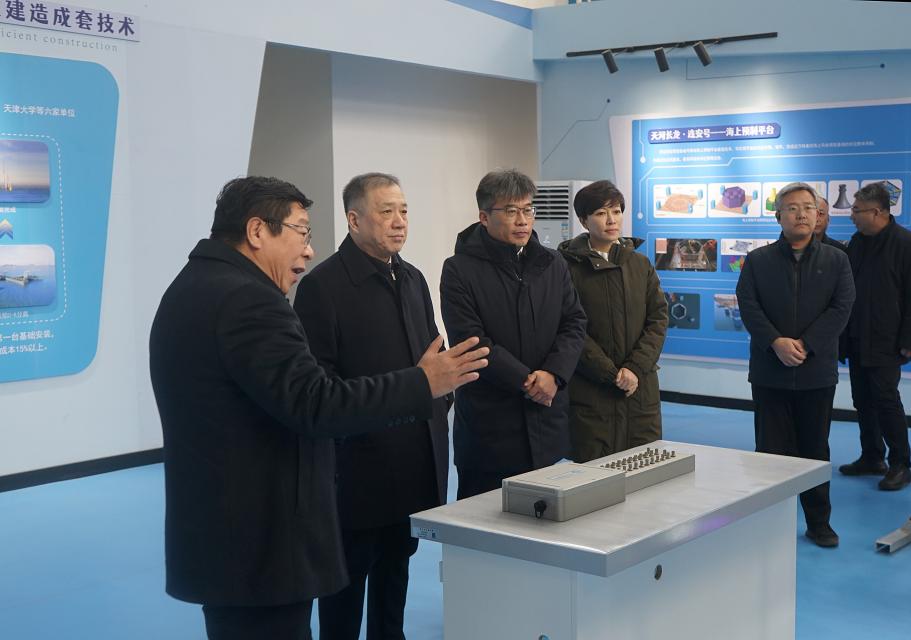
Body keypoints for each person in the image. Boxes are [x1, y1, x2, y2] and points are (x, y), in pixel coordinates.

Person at [149, 176, 488, 640]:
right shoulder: (250, 300)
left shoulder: (195, 286)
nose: (308, 251)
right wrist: (422, 383)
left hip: (227, 536)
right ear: (257, 231)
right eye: (301, 233)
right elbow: (316, 402)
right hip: (261, 540)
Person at [292, 173, 447, 640]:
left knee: (395, 578)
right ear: (354, 219)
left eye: (404, 211)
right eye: (386, 212)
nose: (399, 222)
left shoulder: (412, 278)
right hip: (356, 473)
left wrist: (443, 394)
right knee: (344, 593)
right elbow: (319, 386)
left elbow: (433, 359)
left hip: (411, 463)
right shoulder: (323, 287)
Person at [440, 169, 587, 498]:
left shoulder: (552, 263)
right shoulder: (459, 270)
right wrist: (528, 382)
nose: (522, 220)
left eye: (528, 209)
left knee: (549, 516)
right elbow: (472, 341)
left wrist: (553, 375)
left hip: (548, 420)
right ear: (484, 217)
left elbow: (574, 322)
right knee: (485, 520)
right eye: (510, 211)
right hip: (490, 429)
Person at [736, 182, 855, 548]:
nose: (801, 214)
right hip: (769, 371)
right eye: (792, 208)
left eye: (808, 207)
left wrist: (806, 344)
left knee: (815, 450)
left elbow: (841, 307)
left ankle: (819, 523)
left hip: (816, 372)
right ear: (779, 217)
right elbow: (748, 305)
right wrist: (775, 342)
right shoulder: (758, 260)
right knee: (769, 450)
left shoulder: (837, 259)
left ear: (818, 215)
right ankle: (770, 521)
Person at [557, 180, 668, 462]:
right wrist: (610, 373)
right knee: (594, 475)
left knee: (643, 470)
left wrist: (634, 368)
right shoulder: (565, 267)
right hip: (592, 390)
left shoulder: (640, 265)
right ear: (584, 220)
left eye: (616, 211)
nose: (611, 220)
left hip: (639, 390)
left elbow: (657, 319)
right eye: (600, 213)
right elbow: (569, 326)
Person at [839, 181, 911, 491]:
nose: (851, 215)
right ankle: (872, 456)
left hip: (887, 339)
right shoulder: (857, 243)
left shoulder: (909, 244)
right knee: (862, 400)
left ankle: (901, 464)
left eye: (856, 210)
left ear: (877, 212)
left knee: (886, 400)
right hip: (856, 337)